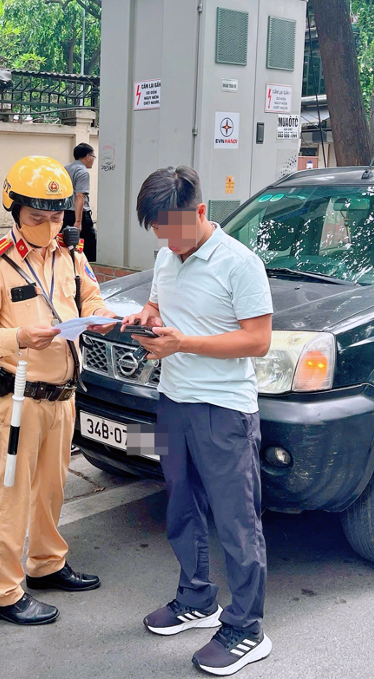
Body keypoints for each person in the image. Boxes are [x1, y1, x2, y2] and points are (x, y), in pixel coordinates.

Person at [123, 166, 274, 676]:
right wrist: (145, 316)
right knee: (181, 507)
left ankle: (247, 628)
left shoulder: (240, 264)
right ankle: (196, 599)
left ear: (202, 212)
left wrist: (183, 342)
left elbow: (258, 341)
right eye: (158, 231)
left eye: (174, 228)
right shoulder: (168, 255)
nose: (167, 241)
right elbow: (160, 302)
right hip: (172, 400)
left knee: (237, 521)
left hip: (225, 410)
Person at [0, 155, 117, 625]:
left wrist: (101, 317)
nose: (49, 228)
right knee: (9, 496)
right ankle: (2, 593)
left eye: (57, 217)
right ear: (14, 211)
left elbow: (90, 295)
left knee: (52, 488)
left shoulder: (71, 255)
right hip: (19, 399)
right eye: (37, 218)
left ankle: (46, 563)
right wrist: (17, 338)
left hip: (64, 396)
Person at [64, 142, 97, 261]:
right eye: (93, 157)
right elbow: (79, 196)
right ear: (88, 157)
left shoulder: (65, 169)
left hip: (64, 214)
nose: (93, 160)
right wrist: (78, 221)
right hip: (79, 215)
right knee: (90, 248)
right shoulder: (82, 172)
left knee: (67, 247)